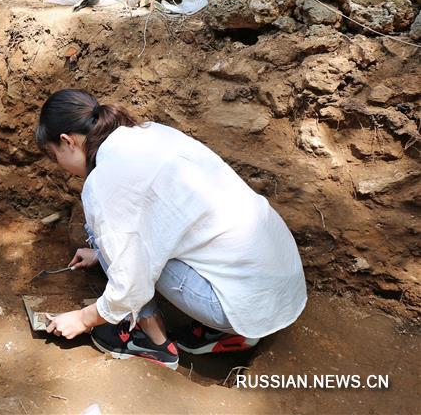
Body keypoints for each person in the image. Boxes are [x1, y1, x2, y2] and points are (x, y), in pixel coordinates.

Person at [35, 89, 306, 370]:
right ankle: (231, 333)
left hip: (240, 302)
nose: (60, 166)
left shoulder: (103, 180)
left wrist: (83, 318)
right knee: (120, 245)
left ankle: (152, 340)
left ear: (67, 141)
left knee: (126, 256)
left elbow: (131, 283)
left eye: (55, 155)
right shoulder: (148, 132)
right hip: (278, 282)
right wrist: (100, 252)